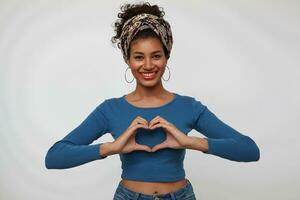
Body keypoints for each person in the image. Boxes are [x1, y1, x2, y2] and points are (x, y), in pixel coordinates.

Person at [45, 2, 260, 200]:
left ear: (167, 56)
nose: (148, 65)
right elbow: (54, 157)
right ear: (127, 60)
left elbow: (249, 150)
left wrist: (189, 142)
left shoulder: (189, 107)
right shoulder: (110, 110)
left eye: (156, 56)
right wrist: (112, 147)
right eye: (139, 57)